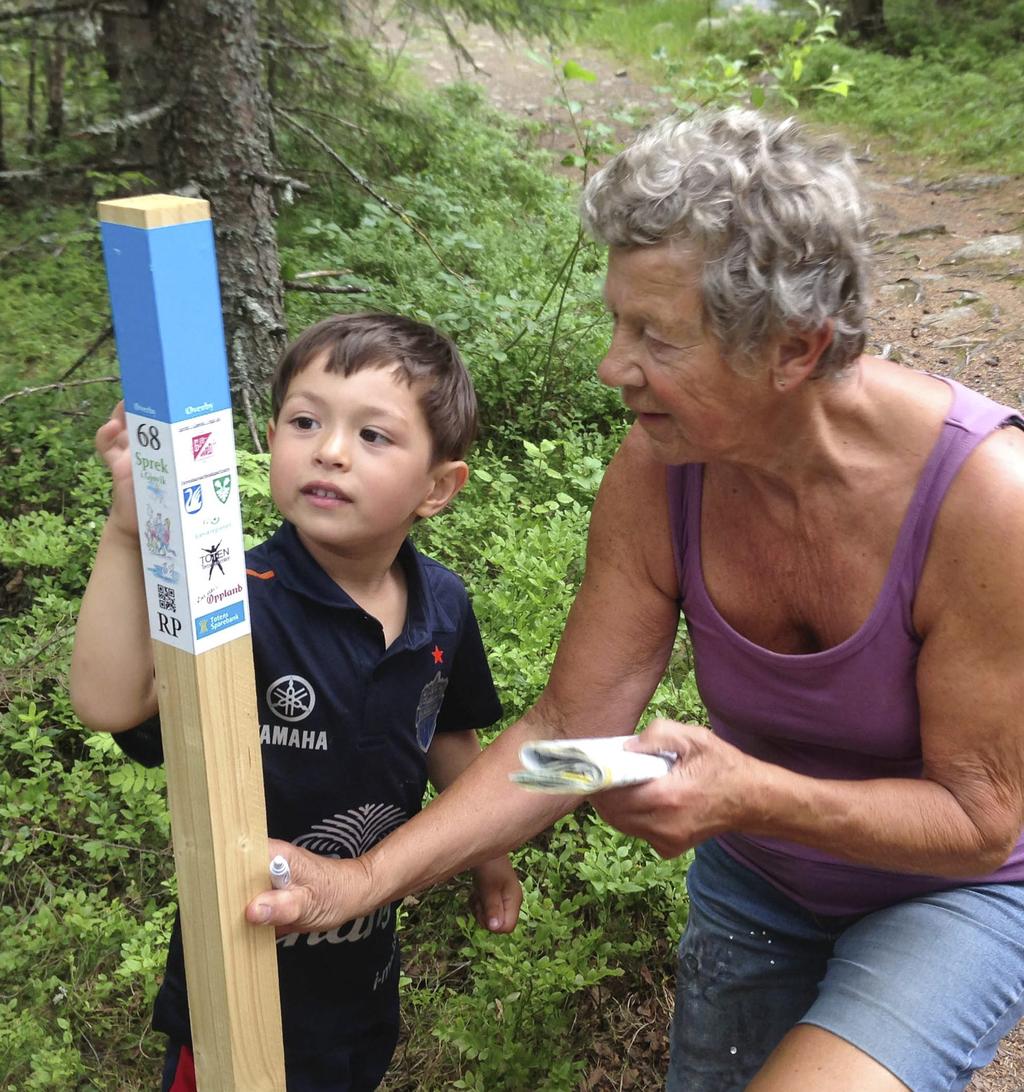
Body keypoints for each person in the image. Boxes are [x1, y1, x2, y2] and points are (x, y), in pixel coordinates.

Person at [245, 110, 1024, 1091]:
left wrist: (749, 794)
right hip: (763, 880)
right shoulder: (665, 465)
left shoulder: (985, 502)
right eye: (618, 323)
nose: (613, 366)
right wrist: (359, 880)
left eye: (654, 336)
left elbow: (979, 819)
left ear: (794, 348)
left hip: (947, 893)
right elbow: (567, 728)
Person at [69, 312, 523, 1092]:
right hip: (232, 985)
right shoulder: (237, 600)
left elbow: (449, 734)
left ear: (439, 488)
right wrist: (126, 532)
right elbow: (110, 701)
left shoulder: (443, 603)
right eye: (305, 421)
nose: (331, 450)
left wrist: (488, 854)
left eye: (373, 436)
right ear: (270, 438)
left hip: (361, 974)